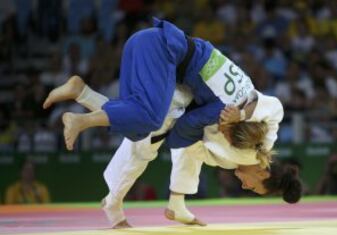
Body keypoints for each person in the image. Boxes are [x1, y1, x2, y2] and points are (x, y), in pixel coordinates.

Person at [43, 77, 300, 228]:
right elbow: (274, 106)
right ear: (264, 174)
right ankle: (113, 207)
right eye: (254, 188)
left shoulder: (236, 160)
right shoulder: (257, 149)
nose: (245, 187)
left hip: (185, 107)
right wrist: (242, 114)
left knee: (140, 133)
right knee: (142, 146)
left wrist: (177, 201)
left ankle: (82, 92)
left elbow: (191, 152)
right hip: (188, 101)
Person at [43, 18, 283, 160]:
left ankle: (80, 90)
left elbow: (262, 107)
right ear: (235, 129)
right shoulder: (226, 110)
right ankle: (80, 121)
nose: (221, 132)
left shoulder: (247, 99)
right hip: (162, 48)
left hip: (150, 49)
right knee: (151, 119)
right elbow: (187, 126)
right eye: (227, 135)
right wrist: (187, 142)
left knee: (137, 130)